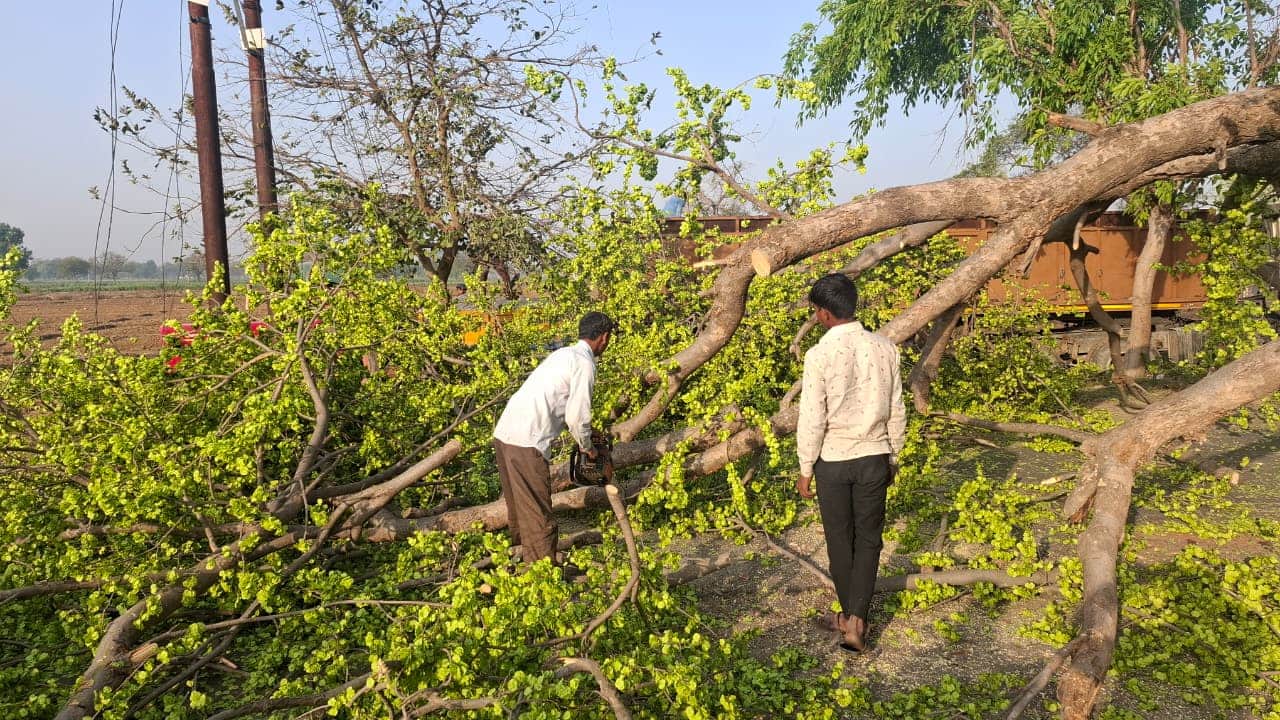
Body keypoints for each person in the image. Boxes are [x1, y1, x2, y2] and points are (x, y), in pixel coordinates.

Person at [796, 274, 906, 652]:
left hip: (834, 461)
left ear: (825, 314)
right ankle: (856, 619)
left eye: (816, 311)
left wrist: (805, 467)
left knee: (840, 541)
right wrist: (894, 454)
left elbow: (813, 417)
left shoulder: (819, 355)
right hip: (874, 456)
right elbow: (896, 409)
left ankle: (848, 618)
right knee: (870, 539)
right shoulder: (885, 348)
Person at [492, 311, 615, 566]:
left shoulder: (563, 354)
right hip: (527, 441)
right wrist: (588, 448)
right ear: (604, 337)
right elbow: (577, 417)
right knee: (538, 514)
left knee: (520, 509)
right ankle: (542, 574)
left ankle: (519, 562)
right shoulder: (585, 363)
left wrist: (589, 432)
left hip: (505, 434)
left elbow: (558, 403)